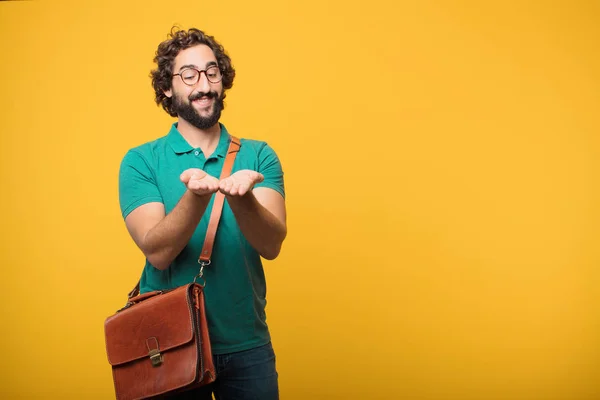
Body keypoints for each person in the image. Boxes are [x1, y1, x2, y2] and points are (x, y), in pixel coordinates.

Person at [118, 26, 286, 400]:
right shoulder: (140, 161)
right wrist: (196, 196)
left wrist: (243, 196)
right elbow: (158, 252)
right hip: (167, 344)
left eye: (212, 72)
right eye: (189, 74)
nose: (204, 85)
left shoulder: (259, 156)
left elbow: (272, 244)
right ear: (167, 87)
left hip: (247, 345)